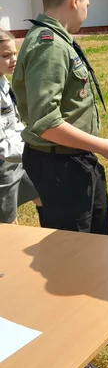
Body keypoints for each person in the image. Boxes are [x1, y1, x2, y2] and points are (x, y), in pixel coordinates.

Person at [13, 0, 108, 368]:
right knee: (68, 261)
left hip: (77, 164)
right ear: (75, 0)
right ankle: (70, 357)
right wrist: (103, 146)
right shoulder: (47, 45)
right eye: (88, 2)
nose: (88, 9)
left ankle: (91, 326)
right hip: (61, 166)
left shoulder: (59, 40)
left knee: (95, 245)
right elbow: (44, 121)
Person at [0, 28, 41, 224]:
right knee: (8, 225)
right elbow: (1, 146)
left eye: (15, 53)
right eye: (6, 55)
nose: (13, 59)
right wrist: (32, 148)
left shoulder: (4, 81)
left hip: (20, 158)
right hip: (3, 169)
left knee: (44, 196)